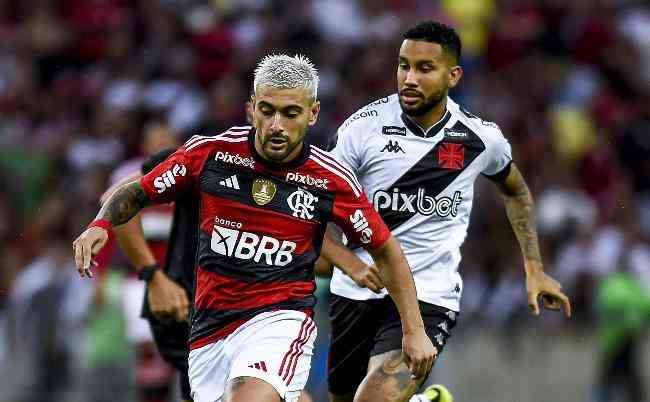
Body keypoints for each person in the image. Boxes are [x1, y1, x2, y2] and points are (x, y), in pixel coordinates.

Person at [72, 54, 436, 402]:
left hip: (280, 320)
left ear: (312, 114)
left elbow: (386, 248)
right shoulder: (210, 154)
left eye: (290, 113)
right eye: (268, 111)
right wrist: (100, 223)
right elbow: (138, 191)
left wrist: (414, 330)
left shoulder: (330, 180)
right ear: (251, 109)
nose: (276, 125)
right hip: (209, 331)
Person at [324, 21, 572, 402]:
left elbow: (517, 191)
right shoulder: (362, 129)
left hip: (430, 295)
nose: (409, 78)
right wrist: (338, 254)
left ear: (453, 75)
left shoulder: (478, 139)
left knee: (373, 399)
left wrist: (533, 267)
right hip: (356, 292)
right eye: (403, 65)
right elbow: (321, 200)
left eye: (425, 68)